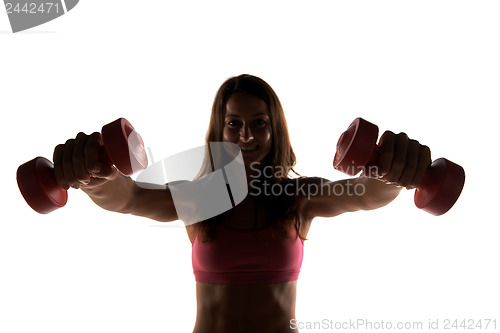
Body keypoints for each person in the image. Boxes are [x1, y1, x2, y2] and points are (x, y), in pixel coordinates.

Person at [53, 74, 431, 332]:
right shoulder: (201, 197)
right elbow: (131, 197)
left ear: (275, 128)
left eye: (259, 122)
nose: (246, 134)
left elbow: (363, 195)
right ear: (219, 130)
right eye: (233, 123)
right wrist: (98, 177)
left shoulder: (298, 198)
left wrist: (391, 174)